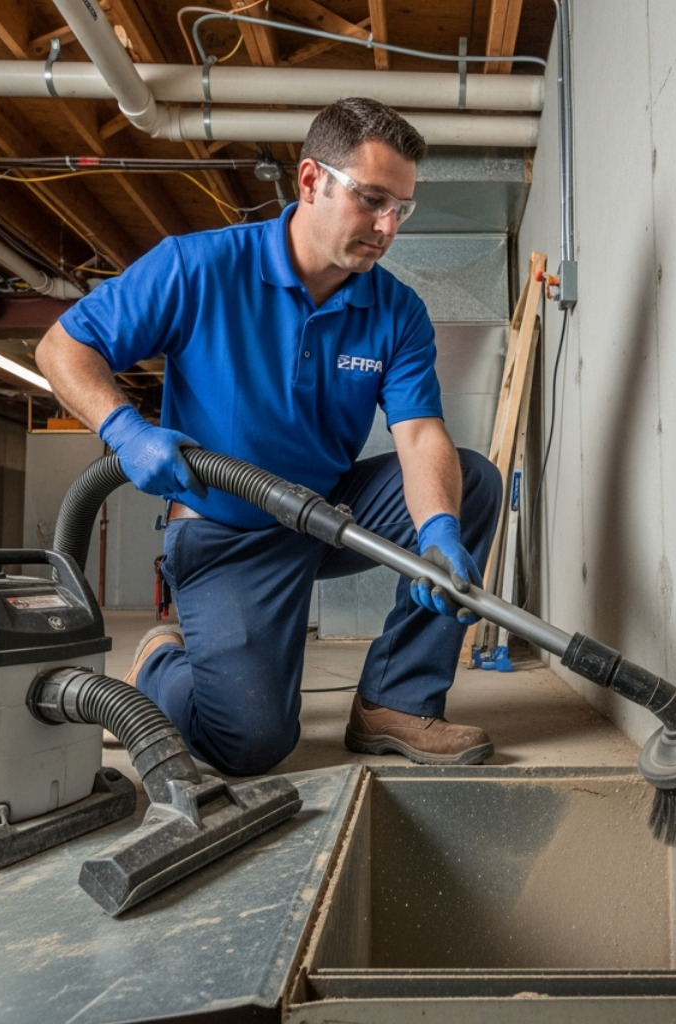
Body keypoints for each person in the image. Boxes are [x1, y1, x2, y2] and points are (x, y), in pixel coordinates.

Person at [36, 97, 501, 777]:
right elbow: (60, 348)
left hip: (325, 510)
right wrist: (125, 430)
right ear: (311, 181)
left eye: (402, 208)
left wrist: (437, 530)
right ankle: (162, 661)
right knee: (250, 744)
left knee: (470, 483)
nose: (388, 225)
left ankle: (394, 702)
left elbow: (420, 431)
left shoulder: (394, 309)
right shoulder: (198, 269)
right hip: (228, 529)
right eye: (373, 200)